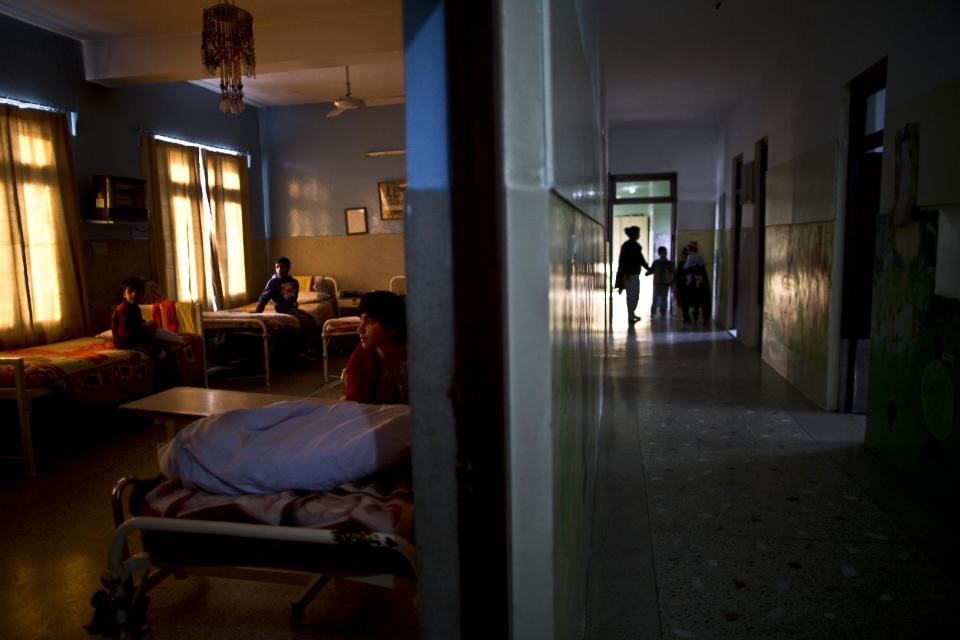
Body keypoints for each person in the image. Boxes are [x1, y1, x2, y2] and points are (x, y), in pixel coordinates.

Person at [111, 276, 182, 390]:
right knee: (161, 354)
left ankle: (176, 385)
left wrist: (146, 325)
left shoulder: (134, 308)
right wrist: (145, 329)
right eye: (130, 291)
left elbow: (136, 324)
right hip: (128, 344)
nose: (134, 295)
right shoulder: (124, 310)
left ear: (143, 294)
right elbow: (127, 336)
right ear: (124, 294)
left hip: (136, 340)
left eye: (138, 292)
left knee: (166, 348)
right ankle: (162, 386)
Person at [342, 291, 408, 404]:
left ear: (392, 327)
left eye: (369, 322)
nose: (360, 329)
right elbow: (355, 404)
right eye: (361, 320)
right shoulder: (362, 356)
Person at [254, 256, 317, 356]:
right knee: (305, 321)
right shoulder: (273, 283)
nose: (279, 269)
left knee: (309, 318)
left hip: (292, 309)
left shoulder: (294, 282)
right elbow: (263, 298)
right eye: (277, 267)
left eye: (282, 267)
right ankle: (308, 349)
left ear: (288, 268)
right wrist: (257, 313)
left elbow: (293, 298)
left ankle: (308, 347)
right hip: (283, 310)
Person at [614, 226, 651, 325]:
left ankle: (631, 314)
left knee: (632, 296)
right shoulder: (633, 246)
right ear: (634, 235)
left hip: (630, 275)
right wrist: (648, 268)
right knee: (633, 296)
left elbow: (623, 261)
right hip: (630, 275)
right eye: (638, 233)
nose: (639, 235)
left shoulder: (628, 245)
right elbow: (640, 260)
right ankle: (631, 316)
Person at [681, 241, 709, 324]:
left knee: (685, 302)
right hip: (698, 283)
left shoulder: (690, 258)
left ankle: (687, 318)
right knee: (697, 302)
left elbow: (685, 269)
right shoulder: (699, 258)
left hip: (690, 283)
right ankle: (695, 316)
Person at [648, 246, 675, 319]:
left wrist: (672, 282)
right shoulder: (656, 262)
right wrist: (647, 272)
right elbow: (651, 270)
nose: (664, 254)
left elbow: (673, 272)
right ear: (659, 254)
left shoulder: (669, 263)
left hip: (665, 284)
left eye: (665, 253)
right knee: (655, 298)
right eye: (662, 253)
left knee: (664, 299)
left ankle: (662, 313)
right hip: (657, 283)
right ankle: (653, 313)